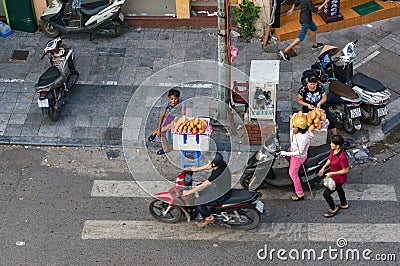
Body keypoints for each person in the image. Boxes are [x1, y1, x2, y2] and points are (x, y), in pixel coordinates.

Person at [182, 152, 232, 228]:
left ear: (214, 164)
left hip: (221, 194)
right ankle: (207, 206)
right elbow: (209, 166)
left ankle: (208, 217)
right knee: (199, 188)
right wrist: (196, 169)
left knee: (198, 202)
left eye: (210, 161)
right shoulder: (221, 164)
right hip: (221, 188)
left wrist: (188, 192)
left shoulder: (217, 174)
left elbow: (203, 185)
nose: (208, 161)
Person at [278, 115, 314, 201]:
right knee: (286, 156)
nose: (293, 126)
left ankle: (300, 194)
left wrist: (286, 153)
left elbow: (300, 152)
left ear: (299, 128)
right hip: (293, 150)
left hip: (298, 157)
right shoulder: (300, 131)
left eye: (294, 125)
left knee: (292, 173)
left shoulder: (303, 138)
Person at [318, 135, 349, 218]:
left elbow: (345, 170)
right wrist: (323, 168)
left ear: (338, 146)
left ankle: (333, 208)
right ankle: (344, 204)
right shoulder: (333, 151)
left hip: (338, 178)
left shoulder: (342, 157)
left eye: (332, 143)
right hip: (334, 176)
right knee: (339, 189)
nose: (330, 144)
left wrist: (332, 174)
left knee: (326, 194)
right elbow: (330, 159)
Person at [147, 88, 185, 155]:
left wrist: (175, 120)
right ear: (169, 98)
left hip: (180, 118)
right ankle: (167, 148)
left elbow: (183, 114)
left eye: (175, 99)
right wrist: (159, 129)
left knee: (171, 124)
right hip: (171, 116)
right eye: (171, 99)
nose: (173, 101)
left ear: (178, 98)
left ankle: (154, 132)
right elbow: (162, 117)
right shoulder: (167, 104)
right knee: (162, 133)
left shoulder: (182, 102)